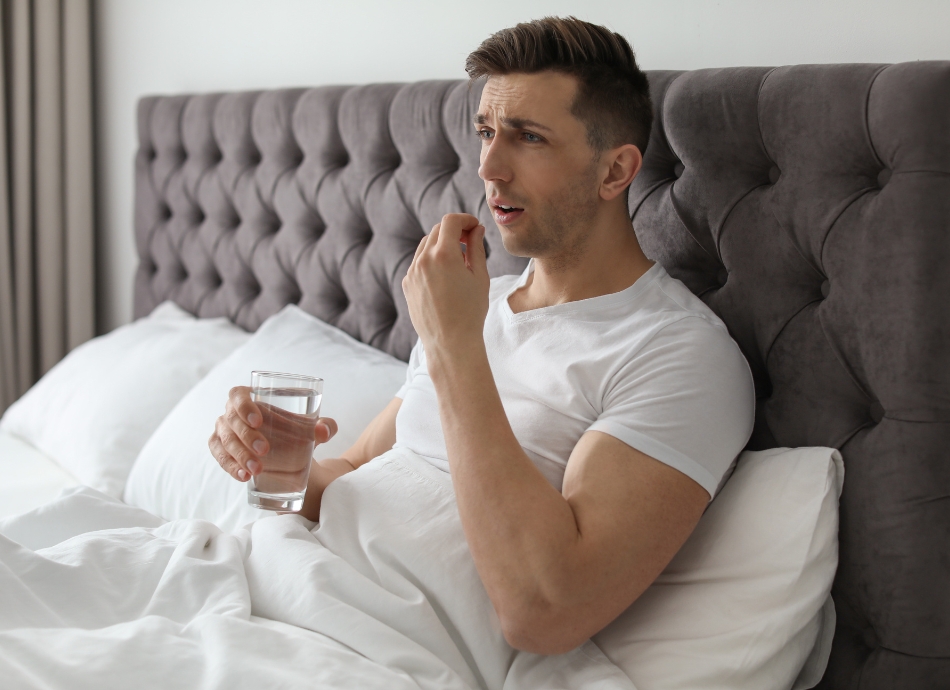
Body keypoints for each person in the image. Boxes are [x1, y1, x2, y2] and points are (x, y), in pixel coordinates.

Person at [208, 16, 754, 656]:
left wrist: (454, 345)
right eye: (488, 133)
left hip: (354, 644)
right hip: (252, 577)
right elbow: (353, 473)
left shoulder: (677, 354)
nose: (490, 167)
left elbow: (546, 611)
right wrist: (275, 460)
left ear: (614, 172)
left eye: (529, 137)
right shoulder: (476, 304)